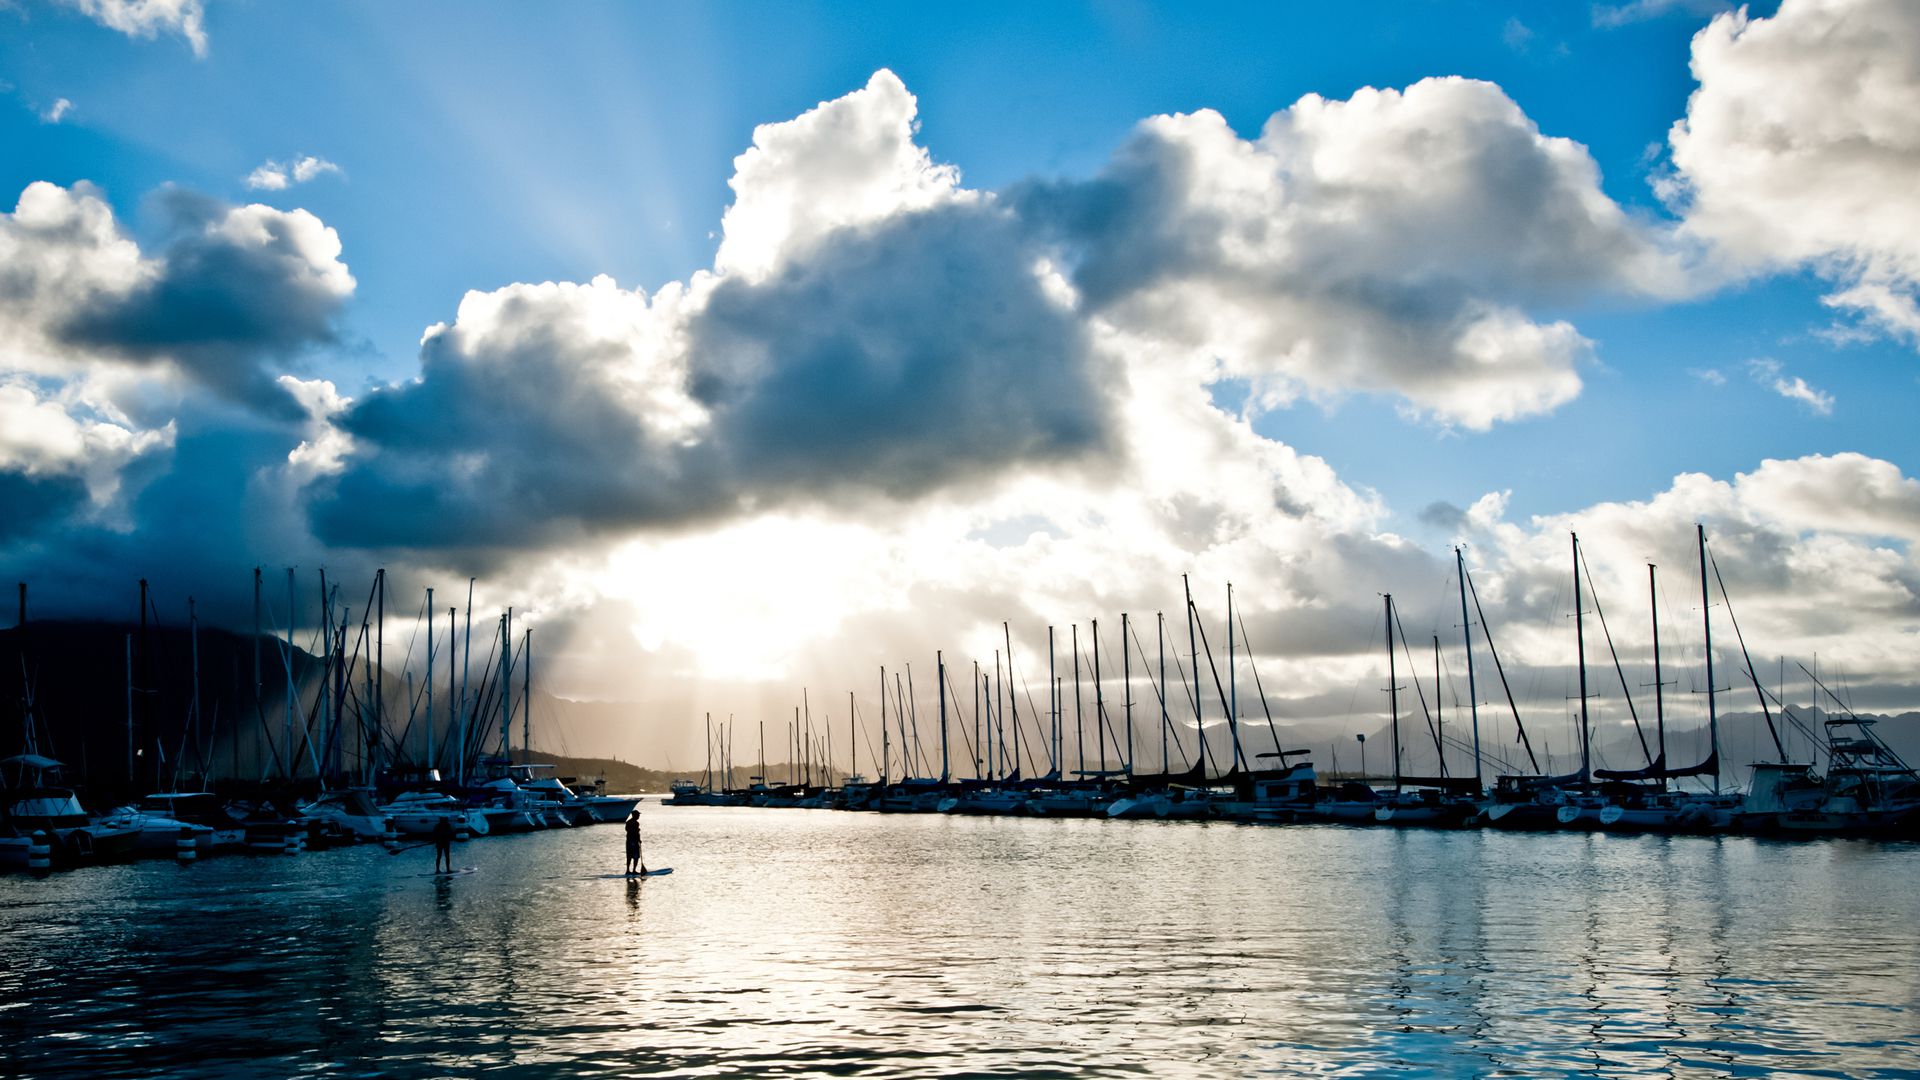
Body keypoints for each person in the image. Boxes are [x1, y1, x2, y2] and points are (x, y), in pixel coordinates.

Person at [625, 808, 644, 875]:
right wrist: (638, 839)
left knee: (629, 856)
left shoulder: (628, 822)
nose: (639, 816)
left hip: (629, 841)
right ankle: (633, 870)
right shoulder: (635, 823)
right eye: (638, 815)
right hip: (633, 841)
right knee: (635, 856)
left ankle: (628, 870)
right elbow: (634, 832)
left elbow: (627, 830)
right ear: (634, 815)